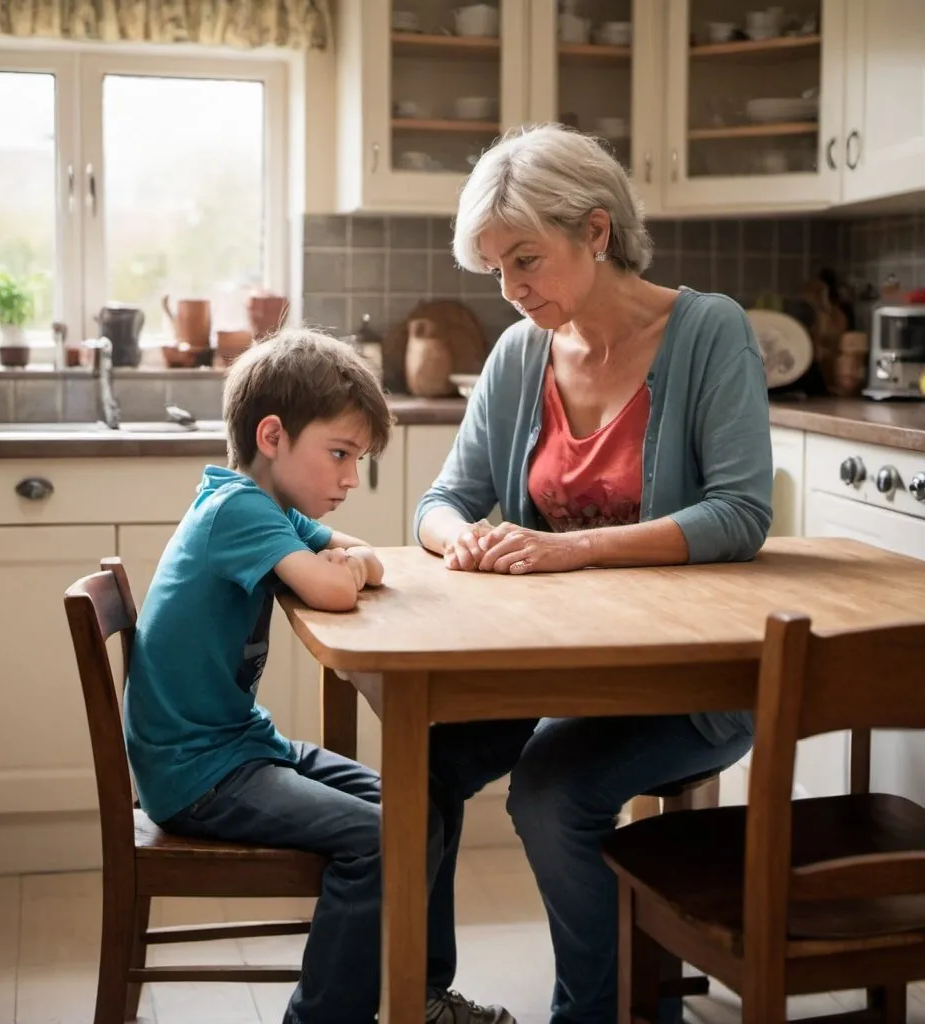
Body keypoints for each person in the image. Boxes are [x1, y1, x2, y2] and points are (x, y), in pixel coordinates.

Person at [415, 125, 773, 1024]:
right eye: (496, 270)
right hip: (548, 667)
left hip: (685, 676)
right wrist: (459, 537)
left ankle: (601, 1012)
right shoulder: (517, 354)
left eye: (526, 259)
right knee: (418, 760)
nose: (512, 288)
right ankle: (423, 995)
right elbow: (440, 499)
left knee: (548, 794)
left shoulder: (709, 331)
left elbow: (739, 514)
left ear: (599, 232)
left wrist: (569, 548)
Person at [123, 329, 515, 1024]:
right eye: (339, 454)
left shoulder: (266, 507)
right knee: (379, 835)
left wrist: (350, 566)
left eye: (356, 460)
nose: (348, 479)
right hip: (199, 774)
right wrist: (348, 571)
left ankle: (417, 996)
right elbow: (336, 587)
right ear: (272, 435)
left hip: (236, 747)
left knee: (417, 802)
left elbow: (365, 558)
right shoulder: (238, 509)